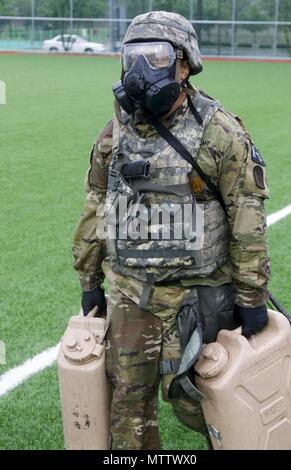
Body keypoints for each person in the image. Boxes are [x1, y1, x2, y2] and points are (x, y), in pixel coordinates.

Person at [72, 11, 270, 450]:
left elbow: (246, 217)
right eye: (133, 58)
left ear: (184, 65)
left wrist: (251, 297)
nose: (142, 71)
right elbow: (95, 207)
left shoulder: (218, 132)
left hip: (199, 295)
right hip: (131, 294)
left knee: (206, 399)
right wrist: (90, 281)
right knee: (129, 406)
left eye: (156, 57)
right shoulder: (114, 135)